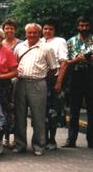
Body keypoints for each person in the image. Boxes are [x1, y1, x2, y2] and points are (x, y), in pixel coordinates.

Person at [13, 23, 57, 156]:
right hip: (20, 83)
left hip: (38, 83)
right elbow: (14, 64)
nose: (32, 35)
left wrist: (41, 77)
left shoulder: (47, 48)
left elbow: (53, 68)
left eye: (35, 32)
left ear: (39, 33)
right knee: (19, 116)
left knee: (38, 117)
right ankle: (20, 144)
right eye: (29, 32)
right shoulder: (19, 47)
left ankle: (38, 145)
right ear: (25, 33)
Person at [63, 16, 93, 148]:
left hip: (91, 75)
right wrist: (75, 59)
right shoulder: (70, 42)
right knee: (74, 109)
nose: (84, 28)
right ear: (77, 26)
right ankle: (71, 140)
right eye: (81, 25)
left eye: (86, 25)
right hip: (75, 76)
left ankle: (91, 141)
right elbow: (65, 62)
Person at [40, 19, 68, 150]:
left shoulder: (60, 41)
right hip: (41, 79)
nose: (47, 31)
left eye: (50, 29)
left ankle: (52, 139)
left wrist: (59, 82)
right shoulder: (39, 41)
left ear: (54, 30)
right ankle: (43, 138)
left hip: (54, 78)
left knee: (53, 111)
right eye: (45, 28)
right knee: (42, 111)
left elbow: (64, 63)